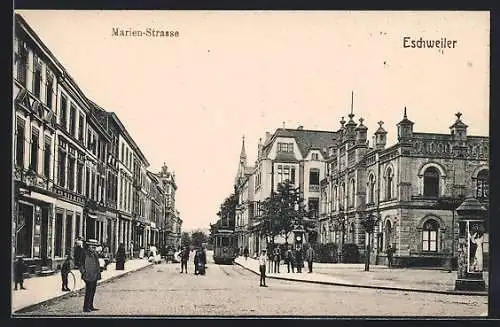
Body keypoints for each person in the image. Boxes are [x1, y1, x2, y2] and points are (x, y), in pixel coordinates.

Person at [80, 240, 101, 312]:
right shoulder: (85, 253)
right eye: (92, 246)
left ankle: (91, 305)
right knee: (88, 291)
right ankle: (86, 307)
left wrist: (98, 272)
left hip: (94, 274)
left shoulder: (94, 253)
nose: (93, 248)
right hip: (88, 275)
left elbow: (97, 263)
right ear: (89, 246)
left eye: (94, 246)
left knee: (93, 291)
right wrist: (83, 272)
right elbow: (81, 264)